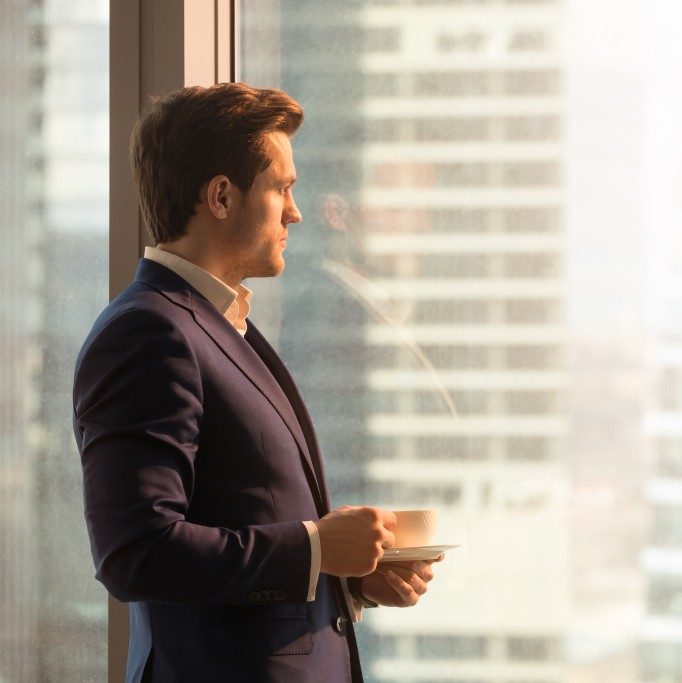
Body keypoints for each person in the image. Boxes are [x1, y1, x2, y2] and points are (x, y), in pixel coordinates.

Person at [71, 83, 441, 682]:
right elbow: (136, 552)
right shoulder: (148, 333)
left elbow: (239, 527)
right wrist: (316, 547)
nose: (295, 211)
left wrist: (341, 571)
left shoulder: (220, 326)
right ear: (220, 196)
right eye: (283, 188)